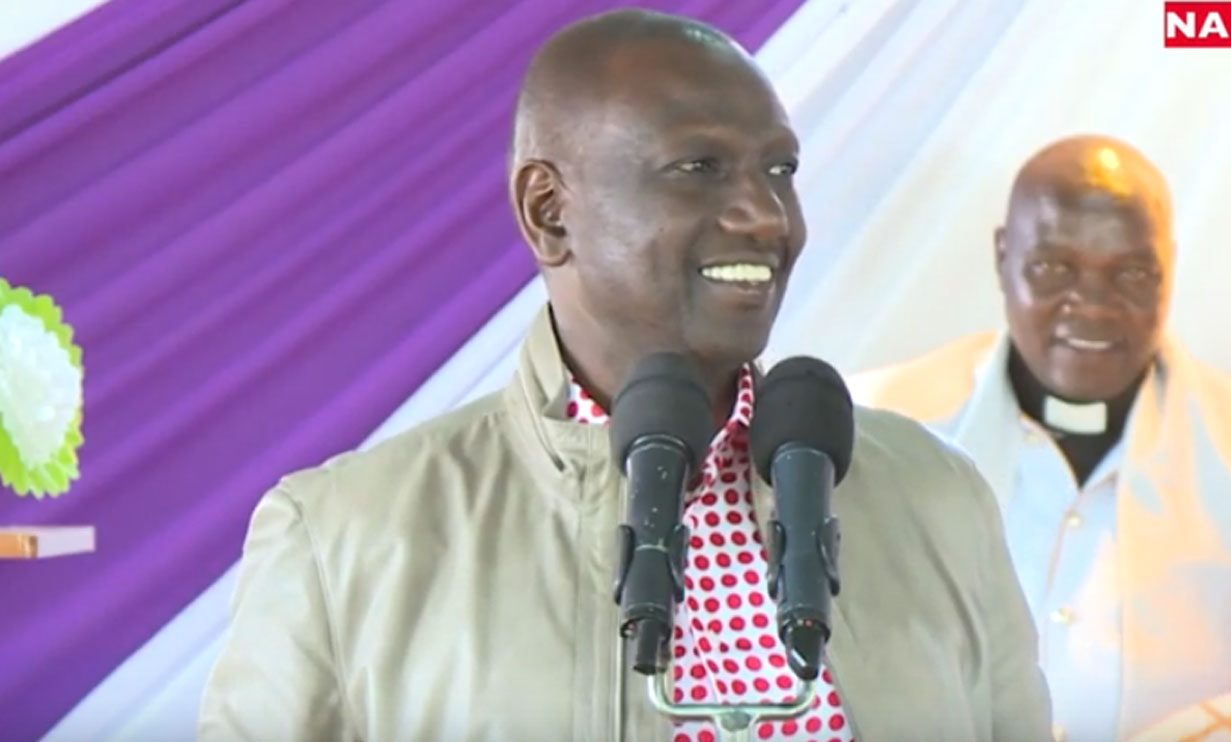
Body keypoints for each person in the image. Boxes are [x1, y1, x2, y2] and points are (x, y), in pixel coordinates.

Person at [198, 10, 1052, 741]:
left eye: (780, 170)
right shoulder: (341, 538)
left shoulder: (937, 496)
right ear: (548, 211)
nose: (765, 215)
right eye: (699, 168)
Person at [848, 134, 1231, 741]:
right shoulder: (873, 428)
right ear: (1002, 257)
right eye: (1053, 268)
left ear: (1169, 269)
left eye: (1131, 272)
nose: (1093, 308)